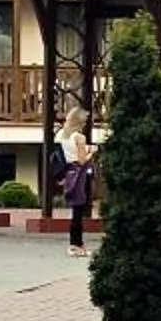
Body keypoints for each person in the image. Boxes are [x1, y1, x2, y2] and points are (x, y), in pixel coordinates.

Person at [58, 106, 95, 252]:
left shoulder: (62, 135)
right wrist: (92, 152)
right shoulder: (79, 137)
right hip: (80, 173)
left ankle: (77, 244)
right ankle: (76, 244)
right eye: (84, 121)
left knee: (75, 210)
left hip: (69, 172)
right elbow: (81, 160)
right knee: (79, 211)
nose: (85, 124)